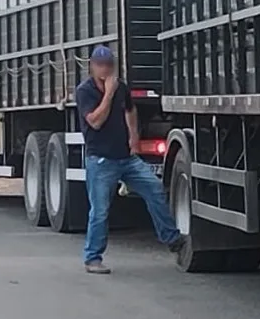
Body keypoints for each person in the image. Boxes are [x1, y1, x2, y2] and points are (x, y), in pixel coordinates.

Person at [76, 45, 185, 274]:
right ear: (92, 66)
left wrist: (134, 137)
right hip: (101, 160)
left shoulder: (121, 87)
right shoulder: (85, 91)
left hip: (126, 158)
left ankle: (172, 238)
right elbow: (95, 121)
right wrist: (108, 93)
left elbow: (130, 109)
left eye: (109, 65)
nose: (105, 69)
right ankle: (92, 258)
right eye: (100, 65)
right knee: (100, 210)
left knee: (155, 189)